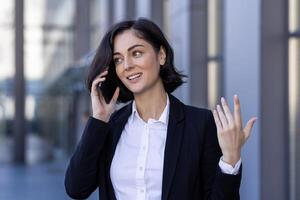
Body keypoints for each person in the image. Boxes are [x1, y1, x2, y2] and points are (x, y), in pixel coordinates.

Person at [65, 18, 257, 200]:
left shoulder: (201, 124)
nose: (127, 65)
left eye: (136, 53)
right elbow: (76, 189)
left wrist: (231, 159)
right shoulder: (111, 126)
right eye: (118, 59)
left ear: (161, 55)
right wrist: (98, 120)